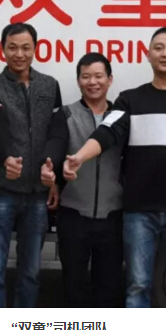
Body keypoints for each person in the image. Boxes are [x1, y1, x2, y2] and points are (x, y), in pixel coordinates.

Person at [64, 27, 166, 308]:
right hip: (139, 211)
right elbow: (106, 133)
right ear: (148, 55)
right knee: (138, 285)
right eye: (159, 47)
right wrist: (80, 157)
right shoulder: (129, 99)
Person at [0, 23, 64, 308]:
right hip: (1, 191)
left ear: (36, 49)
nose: (19, 54)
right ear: (2, 49)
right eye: (13, 47)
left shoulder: (50, 85)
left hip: (37, 193)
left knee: (31, 271)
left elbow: (56, 132)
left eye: (26, 47)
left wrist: (50, 167)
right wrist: (7, 158)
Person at [54, 52, 124, 307]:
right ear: (78, 81)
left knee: (109, 287)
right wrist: (55, 173)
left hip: (113, 215)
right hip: (73, 214)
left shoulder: (122, 117)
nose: (92, 82)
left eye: (98, 76)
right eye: (86, 77)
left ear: (110, 79)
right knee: (73, 286)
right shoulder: (65, 114)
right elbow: (55, 147)